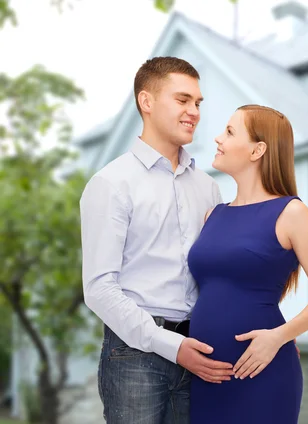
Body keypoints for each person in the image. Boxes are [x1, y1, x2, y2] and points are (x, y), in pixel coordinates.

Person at [79, 56, 235, 424]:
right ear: (146, 102)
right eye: (183, 100)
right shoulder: (111, 184)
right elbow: (99, 288)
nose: (194, 111)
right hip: (135, 357)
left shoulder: (208, 188)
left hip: (202, 349)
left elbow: (218, 276)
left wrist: (271, 327)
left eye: (198, 103)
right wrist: (172, 346)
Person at [187, 104, 308, 423]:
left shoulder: (292, 214)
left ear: (258, 150)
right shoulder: (211, 215)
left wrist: (278, 337)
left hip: (264, 374)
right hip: (203, 376)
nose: (218, 139)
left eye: (229, 132)